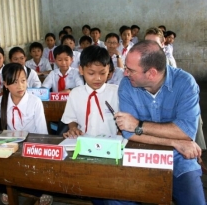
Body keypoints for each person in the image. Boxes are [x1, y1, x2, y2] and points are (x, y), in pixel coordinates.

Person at [112, 40, 206, 205]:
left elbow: (185, 132)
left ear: (151, 73)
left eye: (130, 70)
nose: (125, 73)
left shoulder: (185, 84)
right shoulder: (126, 85)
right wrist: (174, 141)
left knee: (194, 201)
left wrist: (139, 125)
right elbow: (129, 133)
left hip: (179, 157)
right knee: (116, 199)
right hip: (140, 153)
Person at [0, 63, 50, 205]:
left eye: (23, 80)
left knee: (34, 170)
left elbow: (42, 132)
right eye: (14, 82)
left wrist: (37, 148)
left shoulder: (35, 102)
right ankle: (9, 189)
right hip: (10, 144)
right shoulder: (2, 100)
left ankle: (39, 192)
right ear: (6, 84)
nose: (20, 86)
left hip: (31, 144)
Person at [62, 45, 119, 138]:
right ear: (81, 70)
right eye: (91, 73)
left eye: (102, 73)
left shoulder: (116, 92)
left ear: (109, 70)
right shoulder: (75, 94)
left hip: (111, 143)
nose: (98, 78)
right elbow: (71, 118)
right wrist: (73, 128)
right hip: (84, 141)